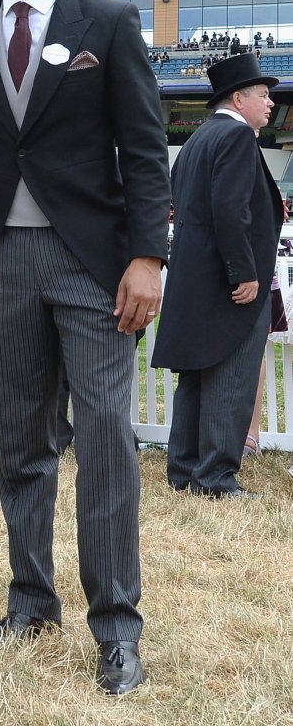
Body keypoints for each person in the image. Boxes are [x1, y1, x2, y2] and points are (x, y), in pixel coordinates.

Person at [0, 0, 170, 694]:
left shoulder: (106, 25)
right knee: (23, 444)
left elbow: (145, 150)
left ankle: (116, 627)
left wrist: (147, 255)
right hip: (1, 263)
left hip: (93, 266)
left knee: (107, 441)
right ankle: (28, 598)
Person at [152, 53, 283, 497]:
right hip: (227, 281)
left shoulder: (198, 140)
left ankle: (184, 470)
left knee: (196, 374)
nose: (270, 103)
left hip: (196, 278)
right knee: (232, 375)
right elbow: (231, 209)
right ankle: (216, 478)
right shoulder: (236, 138)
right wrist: (243, 272)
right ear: (238, 98)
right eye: (263, 95)